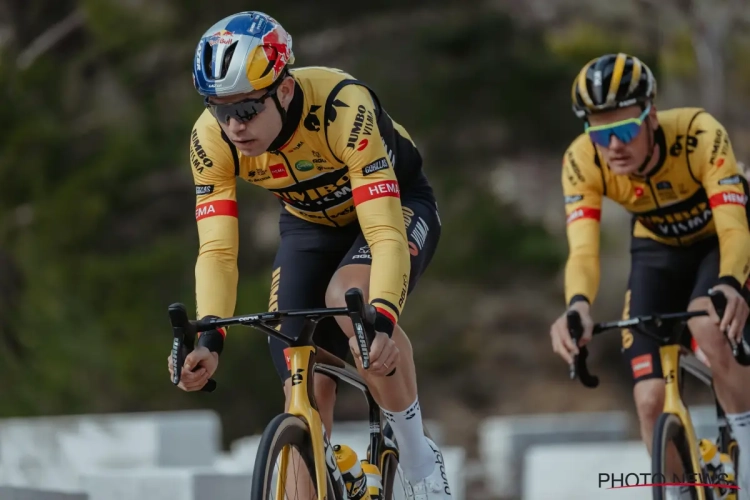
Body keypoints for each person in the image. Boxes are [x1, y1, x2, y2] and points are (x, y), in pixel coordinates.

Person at [166, 11, 451, 498]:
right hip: (309, 225)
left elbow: (382, 231)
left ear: (283, 89)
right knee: (300, 377)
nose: (234, 125)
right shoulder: (209, 139)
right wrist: (209, 337)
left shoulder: (344, 106)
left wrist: (382, 316)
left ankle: (421, 462)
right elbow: (216, 249)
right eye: (220, 109)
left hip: (393, 206)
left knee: (350, 299)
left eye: (248, 109)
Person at [549, 53, 750, 500]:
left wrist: (732, 283)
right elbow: (583, 249)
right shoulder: (583, 160)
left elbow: (734, 228)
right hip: (657, 249)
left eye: (624, 129)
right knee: (649, 400)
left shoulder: (699, 133)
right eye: (600, 133)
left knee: (706, 323)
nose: (614, 145)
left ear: (652, 115)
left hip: (721, 240)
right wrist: (577, 305)